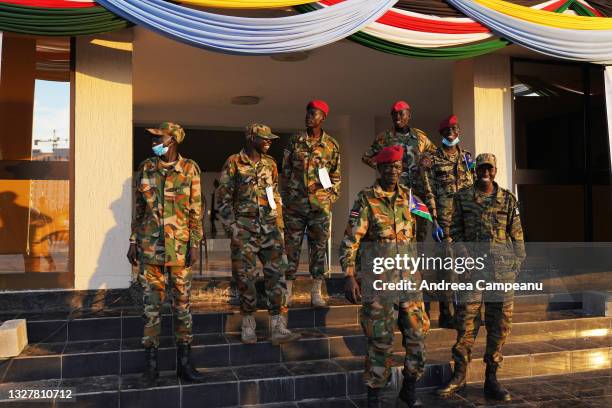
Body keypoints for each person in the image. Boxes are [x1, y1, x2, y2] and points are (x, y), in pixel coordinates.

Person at [340, 146, 429, 408]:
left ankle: (409, 387)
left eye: (398, 167)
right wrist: (349, 275)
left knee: (418, 336)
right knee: (380, 341)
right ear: (380, 169)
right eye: (388, 166)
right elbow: (351, 240)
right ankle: (374, 396)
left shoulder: (410, 199)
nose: (393, 171)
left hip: (409, 283)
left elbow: (419, 233)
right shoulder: (367, 199)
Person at [436, 153, 525, 401]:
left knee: (499, 328)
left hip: (501, 276)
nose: (486, 171)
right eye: (482, 168)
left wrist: (514, 267)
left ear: (495, 170)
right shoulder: (462, 197)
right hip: (471, 274)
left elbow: (517, 237)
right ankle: (459, 375)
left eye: (490, 168)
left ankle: (492, 379)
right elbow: (454, 232)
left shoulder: (507, 200)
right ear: (475, 170)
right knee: (465, 326)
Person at [127, 122, 205, 383]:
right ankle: (151, 367)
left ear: (173, 140)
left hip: (180, 249)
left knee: (183, 307)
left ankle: (184, 364)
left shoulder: (189, 169)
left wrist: (195, 244)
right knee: (152, 309)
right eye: (153, 139)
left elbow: (196, 210)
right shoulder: (146, 167)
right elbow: (139, 209)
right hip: (150, 249)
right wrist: (132, 240)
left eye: (158, 138)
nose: (153, 143)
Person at [217, 123, 301, 345]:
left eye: (271, 138)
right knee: (245, 277)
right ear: (250, 137)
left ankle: (277, 327)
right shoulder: (234, 162)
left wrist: (280, 225)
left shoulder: (271, 163)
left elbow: (274, 194)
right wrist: (233, 228)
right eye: (264, 138)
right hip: (244, 231)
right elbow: (222, 199)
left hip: (270, 229)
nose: (269, 141)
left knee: (277, 276)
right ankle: (248, 324)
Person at [281, 100, 341, 307]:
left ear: (322, 118)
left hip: (319, 208)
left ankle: (316, 291)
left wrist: (329, 199)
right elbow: (285, 171)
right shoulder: (295, 141)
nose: (309, 117)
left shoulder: (331, 145)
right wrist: (287, 198)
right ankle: (287, 291)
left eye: (314, 114)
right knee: (291, 249)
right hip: (295, 207)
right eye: (307, 113)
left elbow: (336, 176)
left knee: (319, 249)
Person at [420, 115, 474, 328]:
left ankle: (463, 311)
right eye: (446, 130)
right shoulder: (431, 158)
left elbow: (473, 188)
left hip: (465, 221)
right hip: (444, 220)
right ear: (441, 133)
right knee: (447, 269)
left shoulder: (467, 158)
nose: (450, 132)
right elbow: (429, 190)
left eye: (454, 128)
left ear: (458, 131)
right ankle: (446, 312)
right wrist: (435, 220)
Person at [362, 100, 436, 243]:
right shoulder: (385, 138)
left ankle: (417, 261)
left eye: (401, 114)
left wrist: (427, 160)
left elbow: (434, 153)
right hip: (396, 189)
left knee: (420, 227)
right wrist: (383, 168)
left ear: (409, 115)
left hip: (418, 190)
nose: (397, 118)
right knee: (399, 225)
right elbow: (367, 156)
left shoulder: (420, 137)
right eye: (394, 115)